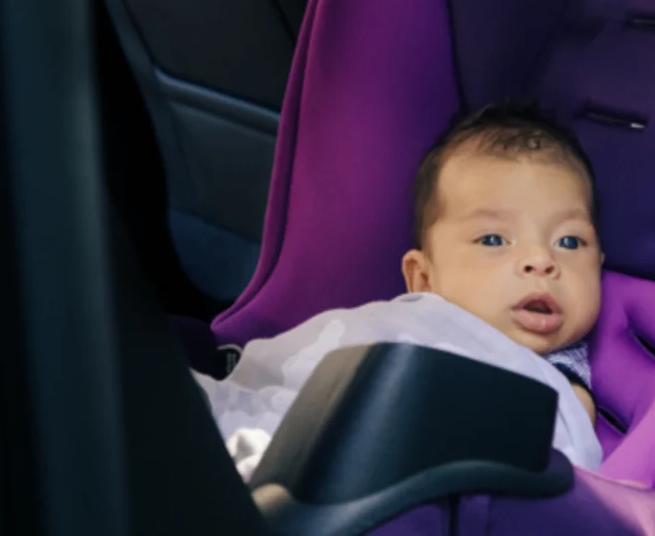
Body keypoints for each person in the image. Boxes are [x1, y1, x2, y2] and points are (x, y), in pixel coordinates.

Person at [194, 103, 606, 478]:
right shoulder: (416, 316)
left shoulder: (559, 383)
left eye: (570, 242)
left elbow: (552, 452)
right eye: (494, 240)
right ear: (423, 278)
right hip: (269, 404)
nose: (541, 260)